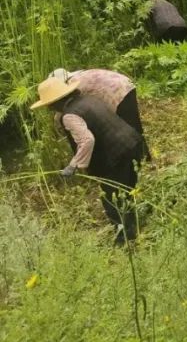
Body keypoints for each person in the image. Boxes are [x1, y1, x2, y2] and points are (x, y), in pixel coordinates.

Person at [31, 75, 148, 245]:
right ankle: (133, 229)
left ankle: (126, 240)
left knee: (111, 198)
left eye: (48, 105)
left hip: (116, 154)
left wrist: (73, 166)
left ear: (53, 103)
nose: (48, 108)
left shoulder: (69, 116)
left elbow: (87, 140)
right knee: (126, 190)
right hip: (132, 143)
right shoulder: (89, 98)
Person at [50, 68, 151, 160]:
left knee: (130, 127)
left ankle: (143, 160)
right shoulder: (80, 76)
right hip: (124, 85)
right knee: (132, 125)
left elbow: (75, 107)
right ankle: (143, 159)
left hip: (118, 92)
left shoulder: (74, 84)